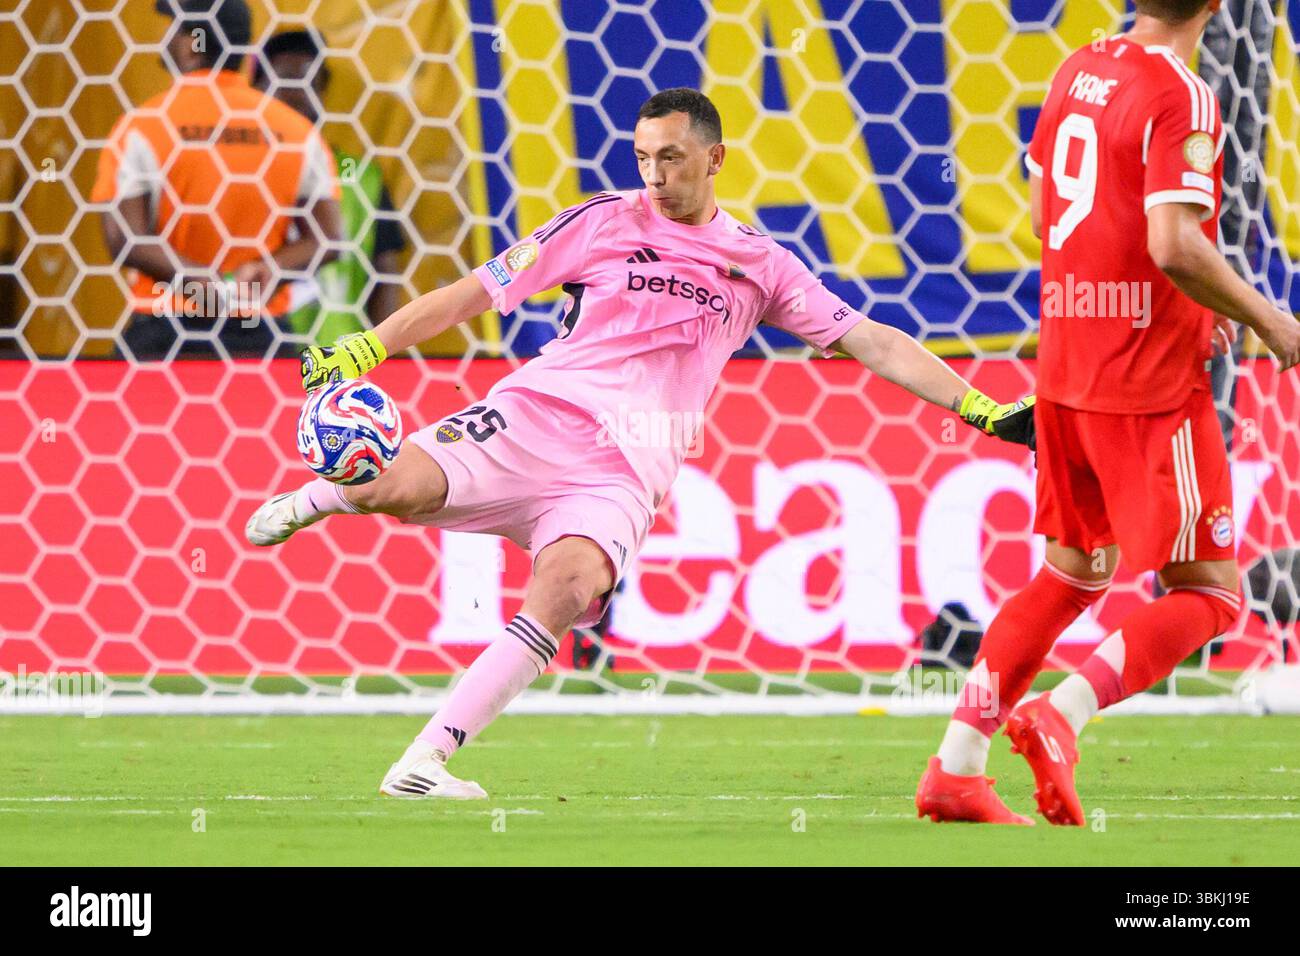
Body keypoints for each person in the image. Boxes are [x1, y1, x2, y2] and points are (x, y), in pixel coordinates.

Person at [245, 88, 1035, 799]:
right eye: (643, 158)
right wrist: (370, 346)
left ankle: (424, 760)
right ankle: (316, 495)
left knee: (569, 590)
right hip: (538, 416)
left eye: (672, 158)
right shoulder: (600, 221)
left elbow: (874, 341)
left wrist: (978, 406)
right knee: (394, 487)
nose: (654, 175)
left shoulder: (761, 263)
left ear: (715, 159)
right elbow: (477, 290)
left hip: (625, 468)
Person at [915, 0, 1300, 826]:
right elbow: (1172, 244)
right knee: (1211, 595)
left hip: (1065, 365)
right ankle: (1063, 713)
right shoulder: (1183, 94)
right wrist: (1270, 317)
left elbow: (1045, 205)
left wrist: (1187, 297)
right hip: (1149, 384)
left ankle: (956, 767)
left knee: (1071, 573)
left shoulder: (1077, 68)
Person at [92, 0, 342, 359]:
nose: (164, 38)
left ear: (192, 43)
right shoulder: (296, 131)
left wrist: (201, 284)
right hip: (262, 333)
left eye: (172, 28)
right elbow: (328, 238)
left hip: (163, 331)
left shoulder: (143, 125)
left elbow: (123, 237)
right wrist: (266, 270)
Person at [252, 28, 407, 341]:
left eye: (309, 83)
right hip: (251, 352)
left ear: (323, 93)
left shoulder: (362, 177)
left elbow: (386, 272)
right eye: (282, 82)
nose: (295, 95)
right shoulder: (231, 170)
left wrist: (382, 351)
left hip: (338, 361)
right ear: (255, 90)